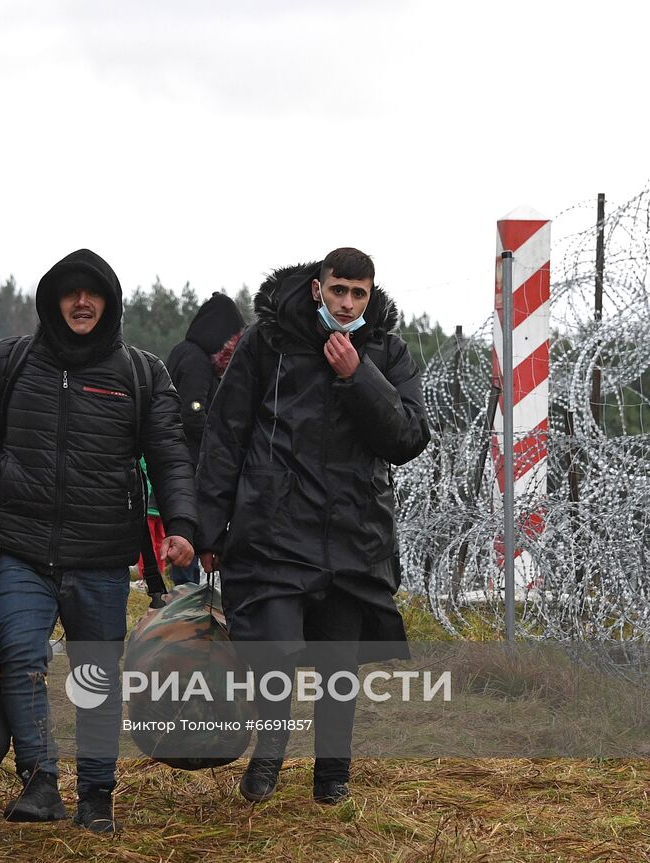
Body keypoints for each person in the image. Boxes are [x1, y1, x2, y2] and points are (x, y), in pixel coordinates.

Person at [0, 248, 197, 834]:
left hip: (103, 554)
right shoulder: (9, 361)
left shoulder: (141, 373)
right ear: (52, 301)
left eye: (93, 293)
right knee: (22, 660)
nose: (82, 303)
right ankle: (39, 783)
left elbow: (171, 456)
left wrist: (181, 527)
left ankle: (98, 796)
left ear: (109, 303)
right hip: (20, 549)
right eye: (70, 293)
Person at [194, 247, 430, 806]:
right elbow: (226, 435)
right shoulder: (267, 344)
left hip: (353, 530)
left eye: (359, 294)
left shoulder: (387, 353)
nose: (347, 304)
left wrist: (359, 375)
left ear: (370, 297)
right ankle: (270, 749)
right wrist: (208, 527)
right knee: (271, 645)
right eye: (338, 290)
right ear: (317, 288)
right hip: (276, 526)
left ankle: (332, 777)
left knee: (337, 664)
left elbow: (408, 438)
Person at [164, 292, 245, 586]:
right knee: (190, 534)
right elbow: (192, 412)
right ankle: (189, 600)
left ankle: (184, 594)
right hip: (191, 464)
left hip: (176, 461)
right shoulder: (197, 361)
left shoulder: (182, 352)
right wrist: (221, 436)